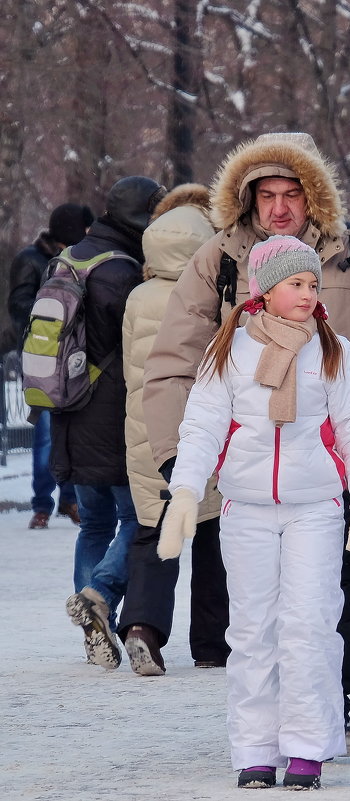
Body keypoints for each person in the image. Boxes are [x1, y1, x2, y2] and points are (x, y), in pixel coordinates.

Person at [143, 132, 350, 756]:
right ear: (247, 201)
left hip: (336, 464)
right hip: (244, 471)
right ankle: (262, 740)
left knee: (328, 601)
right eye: (265, 195)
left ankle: (326, 719)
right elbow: (176, 362)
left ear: (312, 196)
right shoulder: (220, 259)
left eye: (291, 193)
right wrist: (178, 463)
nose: (278, 207)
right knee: (255, 616)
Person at [156, 236, 350, 790]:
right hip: (246, 510)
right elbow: (203, 425)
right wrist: (185, 492)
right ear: (265, 289)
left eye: (312, 283)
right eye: (296, 284)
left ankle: (307, 745)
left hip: (316, 508)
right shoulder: (228, 349)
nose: (308, 294)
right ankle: (256, 748)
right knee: (253, 630)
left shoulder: (333, 351)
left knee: (309, 625)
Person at [117, 186, 230, 675]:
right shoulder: (208, 293)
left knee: (151, 531)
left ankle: (142, 628)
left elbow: (128, 367)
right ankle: (211, 643)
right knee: (211, 534)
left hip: (144, 427)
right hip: (202, 426)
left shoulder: (137, 297)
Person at [61, 176, 166, 670]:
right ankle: (98, 594)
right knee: (138, 516)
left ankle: (92, 626)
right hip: (113, 411)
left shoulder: (70, 257)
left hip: (69, 406)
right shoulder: (123, 270)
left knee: (94, 521)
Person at [8, 202, 93, 529]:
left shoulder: (75, 259)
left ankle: (69, 500)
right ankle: (42, 504)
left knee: (71, 433)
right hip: (42, 358)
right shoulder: (30, 259)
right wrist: (55, 309)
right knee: (45, 436)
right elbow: (18, 307)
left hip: (70, 358)